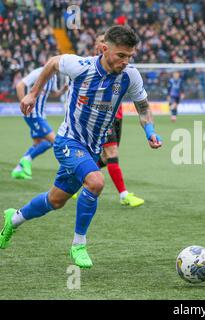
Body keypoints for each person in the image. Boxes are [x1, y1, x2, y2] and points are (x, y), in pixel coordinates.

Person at [0, 25, 162, 268]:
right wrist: (33, 93)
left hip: (92, 148)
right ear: (105, 49)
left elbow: (143, 106)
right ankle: (78, 245)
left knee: (55, 201)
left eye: (130, 56)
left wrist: (150, 131)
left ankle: (14, 219)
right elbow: (54, 62)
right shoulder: (81, 66)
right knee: (96, 182)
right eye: (121, 55)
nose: (125, 61)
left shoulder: (131, 76)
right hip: (68, 141)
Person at [93, 33, 145, 207]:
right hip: (102, 117)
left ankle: (75, 180)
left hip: (118, 116)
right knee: (112, 153)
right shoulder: (92, 68)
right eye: (100, 42)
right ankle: (124, 195)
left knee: (107, 158)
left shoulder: (120, 68)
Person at [11, 67, 67, 180]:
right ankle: (65, 175)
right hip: (33, 115)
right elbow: (20, 85)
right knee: (54, 141)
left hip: (40, 115)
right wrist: (24, 104)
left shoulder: (54, 76)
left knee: (39, 143)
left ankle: (18, 169)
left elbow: (54, 94)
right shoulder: (38, 72)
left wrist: (63, 90)